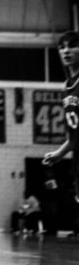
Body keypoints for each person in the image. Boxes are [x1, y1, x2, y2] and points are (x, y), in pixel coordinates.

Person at [42, 30, 79, 234]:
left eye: (72, 45)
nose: (66, 51)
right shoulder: (67, 86)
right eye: (62, 47)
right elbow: (74, 133)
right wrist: (60, 153)